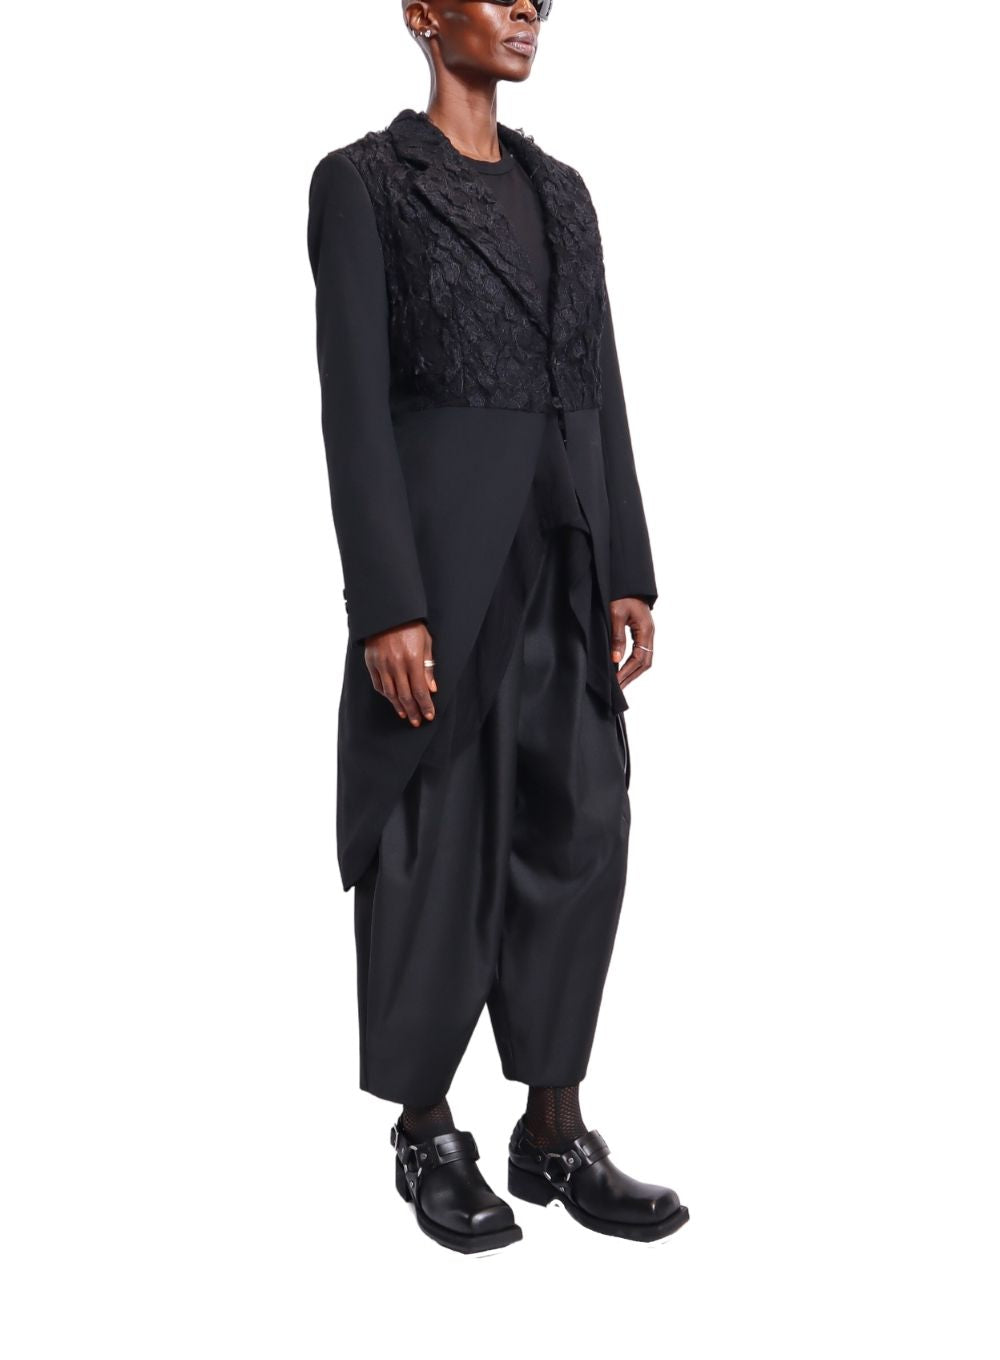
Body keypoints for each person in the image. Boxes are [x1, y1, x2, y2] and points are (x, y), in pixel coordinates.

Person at [306, 0, 689, 1253]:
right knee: (434, 844)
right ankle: (427, 1132)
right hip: (443, 576)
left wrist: (629, 563)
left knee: (581, 831)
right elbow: (352, 405)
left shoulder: (563, 192)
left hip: (565, 556)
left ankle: (553, 1132)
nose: (526, 9)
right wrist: (387, 602)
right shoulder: (364, 184)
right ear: (424, 15)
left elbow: (601, 382)